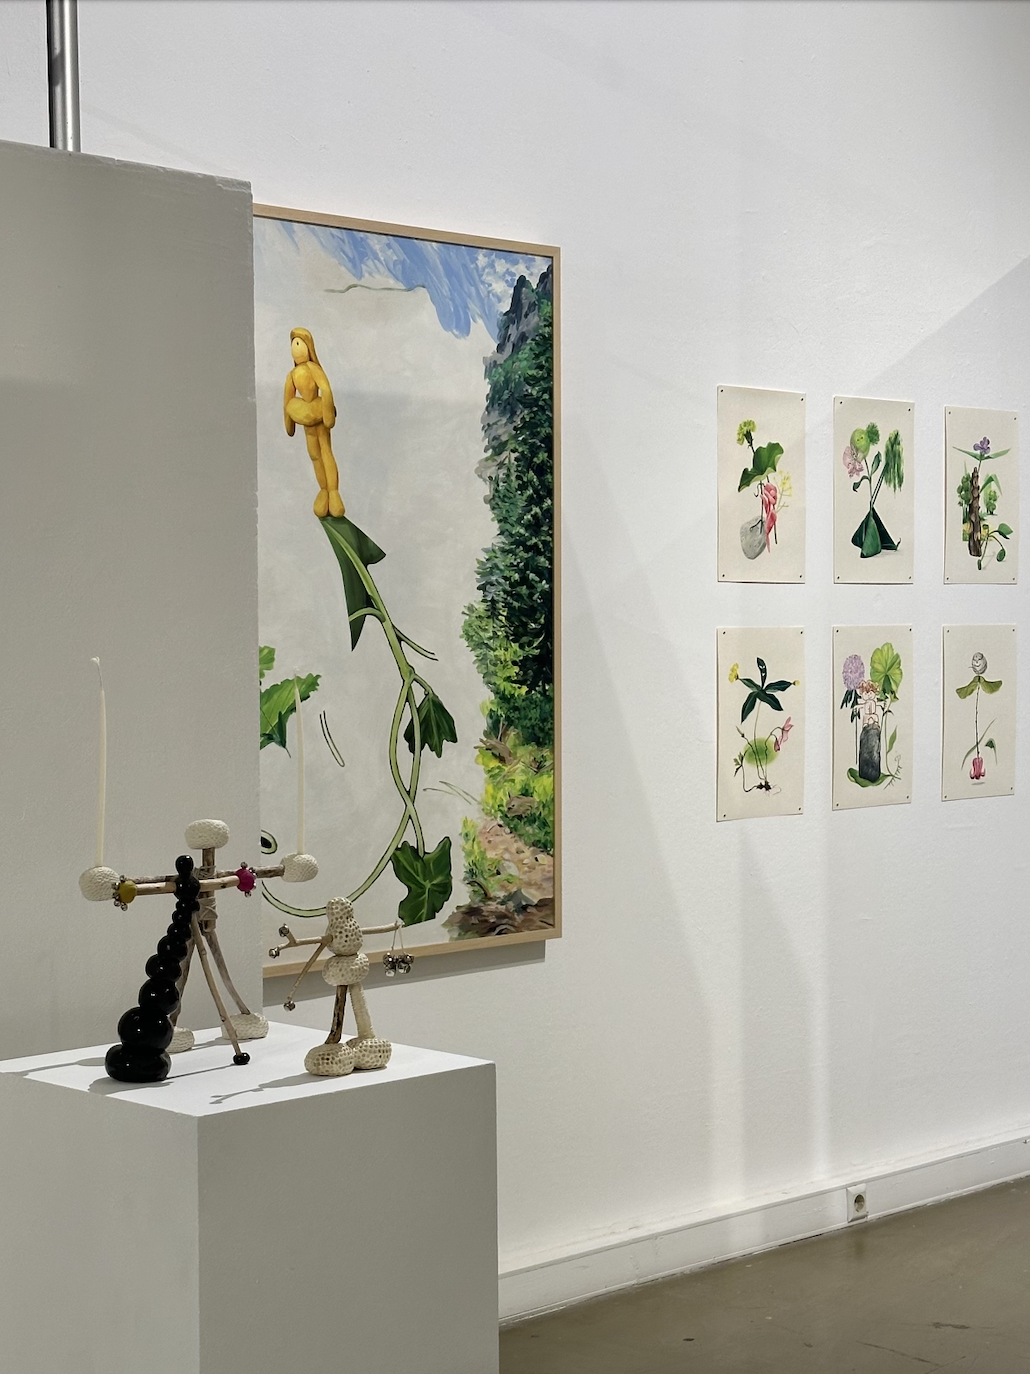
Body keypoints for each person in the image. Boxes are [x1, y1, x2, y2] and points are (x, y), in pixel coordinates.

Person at [283, 327, 344, 518]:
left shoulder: (313, 368)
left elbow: (325, 388)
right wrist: (289, 422)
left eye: (298, 343)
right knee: (314, 454)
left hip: (318, 414)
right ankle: (323, 490)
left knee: (325, 451)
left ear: (308, 346)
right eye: (293, 344)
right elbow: (287, 398)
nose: (295, 348)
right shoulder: (292, 375)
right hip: (305, 417)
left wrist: (328, 414)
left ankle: (333, 492)